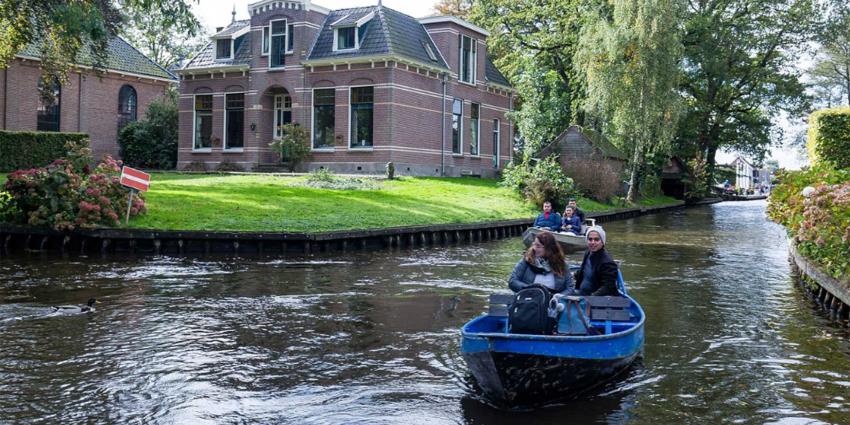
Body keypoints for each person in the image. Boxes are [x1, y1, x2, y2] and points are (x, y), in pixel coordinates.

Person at [509, 232, 574, 294]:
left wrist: (558, 297)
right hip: (529, 301)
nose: (534, 248)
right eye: (534, 244)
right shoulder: (526, 260)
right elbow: (512, 281)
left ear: (549, 248)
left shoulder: (562, 264)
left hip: (553, 303)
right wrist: (529, 290)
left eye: (538, 246)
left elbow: (570, 287)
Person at [573, 226, 620, 296]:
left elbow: (609, 286)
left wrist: (592, 297)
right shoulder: (588, 252)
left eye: (596, 239)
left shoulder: (607, 262)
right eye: (590, 239)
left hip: (596, 300)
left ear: (602, 241)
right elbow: (585, 270)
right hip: (582, 292)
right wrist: (575, 274)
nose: (592, 242)